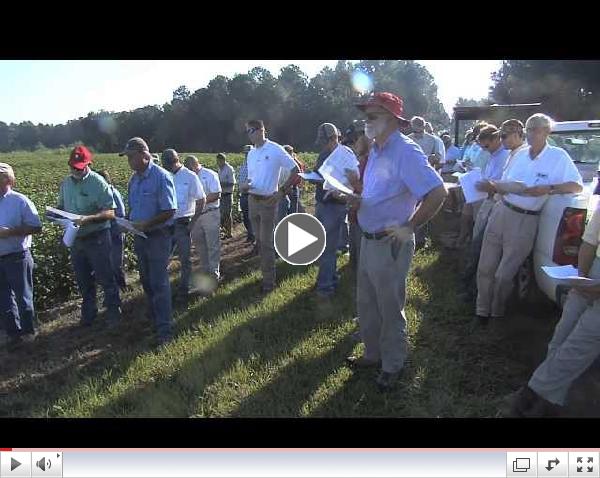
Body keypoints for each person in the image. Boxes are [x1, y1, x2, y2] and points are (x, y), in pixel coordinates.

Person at [345, 92, 447, 391]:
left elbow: (437, 193)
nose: (366, 121)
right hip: (368, 238)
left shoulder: (406, 152)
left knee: (390, 307)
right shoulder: (377, 149)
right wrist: (358, 199)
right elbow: (381, 192)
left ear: (393, 119)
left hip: (389, 242)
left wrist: (409, 227)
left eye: (372, 116)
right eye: (366, 116)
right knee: (367, 303)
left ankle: (393, 364)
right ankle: (372, 354)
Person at [475, 114, 584, 324]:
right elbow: (504, 182)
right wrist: (494, 187)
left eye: (537, 129)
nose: (531, 133)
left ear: (547, 131)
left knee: (504, 274)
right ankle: (481, 310)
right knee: (485, 266)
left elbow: (577, 186)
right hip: (502, 210)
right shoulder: (520, 154)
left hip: (525, 219)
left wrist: (549, 188)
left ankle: (496, 312)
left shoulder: (558, 156)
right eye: (529, 129)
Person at [508, 205, 600, 417]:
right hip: (592, 270)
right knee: (561, 337)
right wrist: (581, 282)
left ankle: (527, 401)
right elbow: (589, 242)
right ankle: (552, 401)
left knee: (579, 345)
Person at [54, 146, 122, 328]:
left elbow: (110, 212)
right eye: (73, 167)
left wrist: (89, 218)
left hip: (97, 236)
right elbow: (61, 206)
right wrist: (56, 215)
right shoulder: (66, 184)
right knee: (83, 279)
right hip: (76, 239)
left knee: (106, 276)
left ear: (88, 164)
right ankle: (89, 313)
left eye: (79, 167)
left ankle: (114, 311)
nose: (76, 170)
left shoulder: (98, 183)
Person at [120, 137, 177, 346]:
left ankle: (165, 330)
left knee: (159, 282)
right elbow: (134, 209)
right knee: (146, 280)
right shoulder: (134, 180)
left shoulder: (161, 177)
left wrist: (147, 224)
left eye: (131, 157)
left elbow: (170, 210)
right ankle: (154, 317)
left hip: (158, 236)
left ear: (144, 155)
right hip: (141, 237)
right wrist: (126, 222)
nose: (129, 161)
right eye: (127, 157)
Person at [243, 119, 299, 293]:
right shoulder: (251, 153)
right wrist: (246, 185)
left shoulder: (275, 149)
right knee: (260, 241)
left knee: (266, 242)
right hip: (252, 199)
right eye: (246, 132)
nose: (248, 135)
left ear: (261, 130)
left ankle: (269, 282)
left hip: (268, 201)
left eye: (250, 131)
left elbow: (296, 169)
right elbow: (253, 177)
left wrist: (281, 192)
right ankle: (265, 274)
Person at [458, 125, 510, 302]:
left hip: (495, 205)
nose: (484, 150)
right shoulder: (493, 156)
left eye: (486, 146)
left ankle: (473, 289)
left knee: (481, 246)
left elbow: (503, 184)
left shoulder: (505, 156)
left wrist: (489, 185)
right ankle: (470, 285)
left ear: (496, 139)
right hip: (486, 201)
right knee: (476, 243)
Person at [313, 123, 357, 298]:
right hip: (321, 203)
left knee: (328, 247)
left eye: (325, 141)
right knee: (322, 244)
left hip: (335, 206)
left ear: (334, 138)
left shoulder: (346, 155)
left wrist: (337, 188)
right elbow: (319, 174)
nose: (323, 145)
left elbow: (353, 180)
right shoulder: (324, 153)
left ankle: (325, 287)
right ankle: (330, 277)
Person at [0, 162, 42, 347]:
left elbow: (36, 226)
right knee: (4, 299)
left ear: (9, 180)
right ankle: (13, 334)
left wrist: (10, 232)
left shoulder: (20, 201)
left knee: (23, 296)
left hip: (17, 255)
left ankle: (28, 332)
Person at [161, 149, 206, 304]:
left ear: (176, 160)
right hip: (166, 224)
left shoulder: (190, 176)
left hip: (183, 223)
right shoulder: (164, 175)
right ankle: (163, 291)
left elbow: (201, 200)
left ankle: (183, 291)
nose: (169, 167)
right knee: (162, 259)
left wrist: (192, 223)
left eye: (170, 163)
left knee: (185, 260)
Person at [184, 155, 222, 286]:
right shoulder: (188, 177)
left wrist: (200, 203)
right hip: (195, 216)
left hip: (209, 213)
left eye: (190, 168)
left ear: (196, 165)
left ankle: (214, 274)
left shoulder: (210, 175)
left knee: (212, 245)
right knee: (200, 245)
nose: (189, 171)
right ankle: (206, 270)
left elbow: (216, 194)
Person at [97, 170, 127, 291]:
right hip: (106, 233)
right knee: (108, 263)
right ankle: (114, 289)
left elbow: (121, 213)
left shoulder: (113, 193)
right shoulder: (102, 194)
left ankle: (122, 287)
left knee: (115, 263)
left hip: (115, 232)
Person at [238, 145, 255, 244]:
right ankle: (250, 234)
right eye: (245, 153)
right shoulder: (244, 164)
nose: (246, 154)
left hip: (251, 194)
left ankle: (254, 236)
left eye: (248, 153)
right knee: (245, 216)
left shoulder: (255, 165)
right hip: (243, 195)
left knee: (252, 216)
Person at [217, 153, 236, 239]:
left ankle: (229, 233)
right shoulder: (219, 169)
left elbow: (232, 183)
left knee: (227, 214)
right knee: (222, 214)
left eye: (219, 161)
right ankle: (224, 231)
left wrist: (220, 184)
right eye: (217, 161)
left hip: (227, 194)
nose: (218, 162)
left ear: (223, 160)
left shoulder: (229, 169)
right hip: (221, 195)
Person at [283, 145, 305, 215]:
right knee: (292, 212)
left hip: (290, 188)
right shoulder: (297, 163)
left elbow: (298, 177)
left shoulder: (295, 164)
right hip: (291, 188)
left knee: (288, 213)